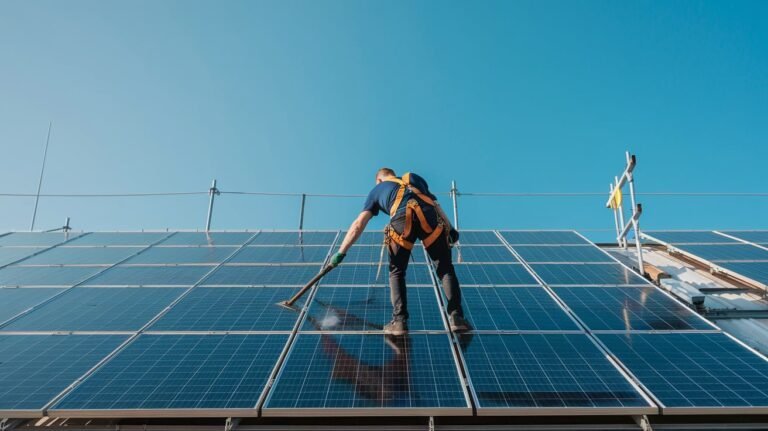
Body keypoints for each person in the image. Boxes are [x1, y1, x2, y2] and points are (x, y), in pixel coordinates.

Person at [330, 168, 469, 335]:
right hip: (430, 217)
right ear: (392, 175)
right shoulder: (414, 177)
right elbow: (435, 205)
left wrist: (341, 252)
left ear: (379, 180)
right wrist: (451, 228)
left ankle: (399, 322)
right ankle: (456, 317)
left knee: (397, 271)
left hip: (401, 219)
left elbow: (359, 223)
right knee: (445, 269)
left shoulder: (376, 191)